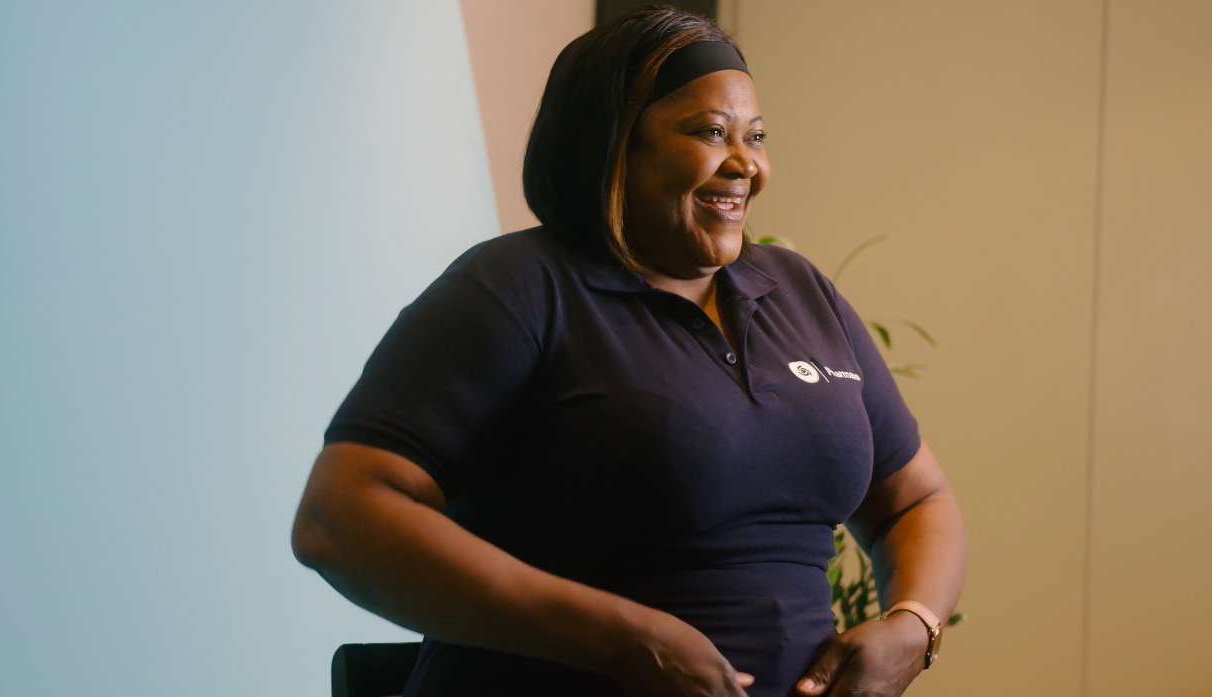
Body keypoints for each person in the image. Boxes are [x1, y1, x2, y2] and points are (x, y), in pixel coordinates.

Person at [291, 7, 966, 697]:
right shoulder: (518, 288)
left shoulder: (798, 292)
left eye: (756, 136)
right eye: (709, 133)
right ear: (612, 143)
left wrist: (915, 625)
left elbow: (917, 499)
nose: (747, 165)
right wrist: (615, 639)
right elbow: (337, 518)